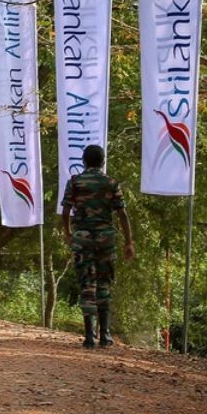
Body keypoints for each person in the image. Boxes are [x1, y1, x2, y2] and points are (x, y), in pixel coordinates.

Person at [61, 144, 134, 348]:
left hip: (82, 239)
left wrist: (67, 233)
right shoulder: (110, 183)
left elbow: (66, 211)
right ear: (102, 162)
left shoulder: (74, 182)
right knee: (103, 284)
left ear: (84, 161)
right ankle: (105, 334)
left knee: (86, 284)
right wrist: (128, 242)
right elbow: (122, 215)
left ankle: (89, 336)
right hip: (105, 240)